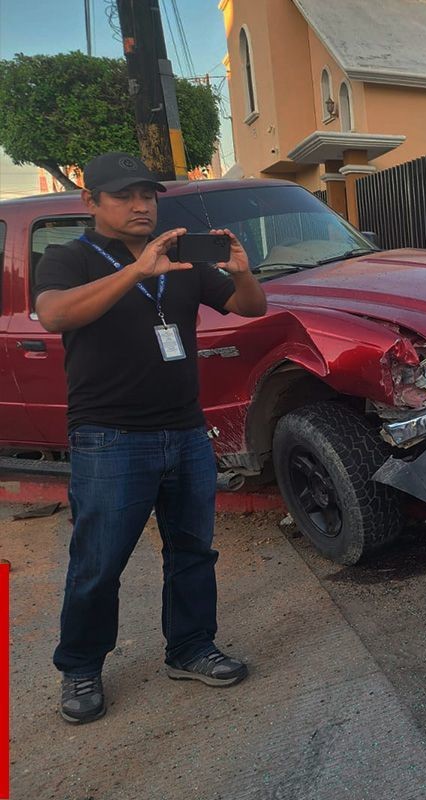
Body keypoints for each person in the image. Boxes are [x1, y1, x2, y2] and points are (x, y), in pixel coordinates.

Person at [33, 153, 268, 724]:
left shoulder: (180, 258)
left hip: (185, 429)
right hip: (110, 436)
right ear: (91, 203)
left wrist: (240, 272)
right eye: (124, 196)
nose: (141, 205)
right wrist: (136, 273)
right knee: (99, 561)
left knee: (192, 552)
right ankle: (82, 666)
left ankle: (189, 648)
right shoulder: (67, 257)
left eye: (148, 195)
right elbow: (53, 315)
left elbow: (249, 307)